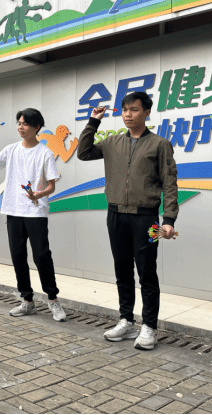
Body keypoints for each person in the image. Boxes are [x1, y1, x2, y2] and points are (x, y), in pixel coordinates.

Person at [77, 92, 177, 350]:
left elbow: (169, 183)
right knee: (122, 270)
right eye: (125, 110)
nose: (128, 114)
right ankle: (126, 320)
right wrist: (93, 121)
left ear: (147, 112)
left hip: (147, 218)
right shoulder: (112, 142)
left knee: (147, 272)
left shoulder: (160, 144)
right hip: (115, 215)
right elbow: (83, 153)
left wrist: (169, 219)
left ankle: (149, 326)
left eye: (134, 109)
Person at [0, 108, 67, 322]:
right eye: (19, 123)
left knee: (41, 256)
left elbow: (51, 186)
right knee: (18, 255)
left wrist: (38, 194)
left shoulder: (45, 153)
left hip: (35, 211)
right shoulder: (11, 150)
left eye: (25, 123)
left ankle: (53, 299)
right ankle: (27, 300)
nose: (20, 127)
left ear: (36, 127)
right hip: (13, 209)